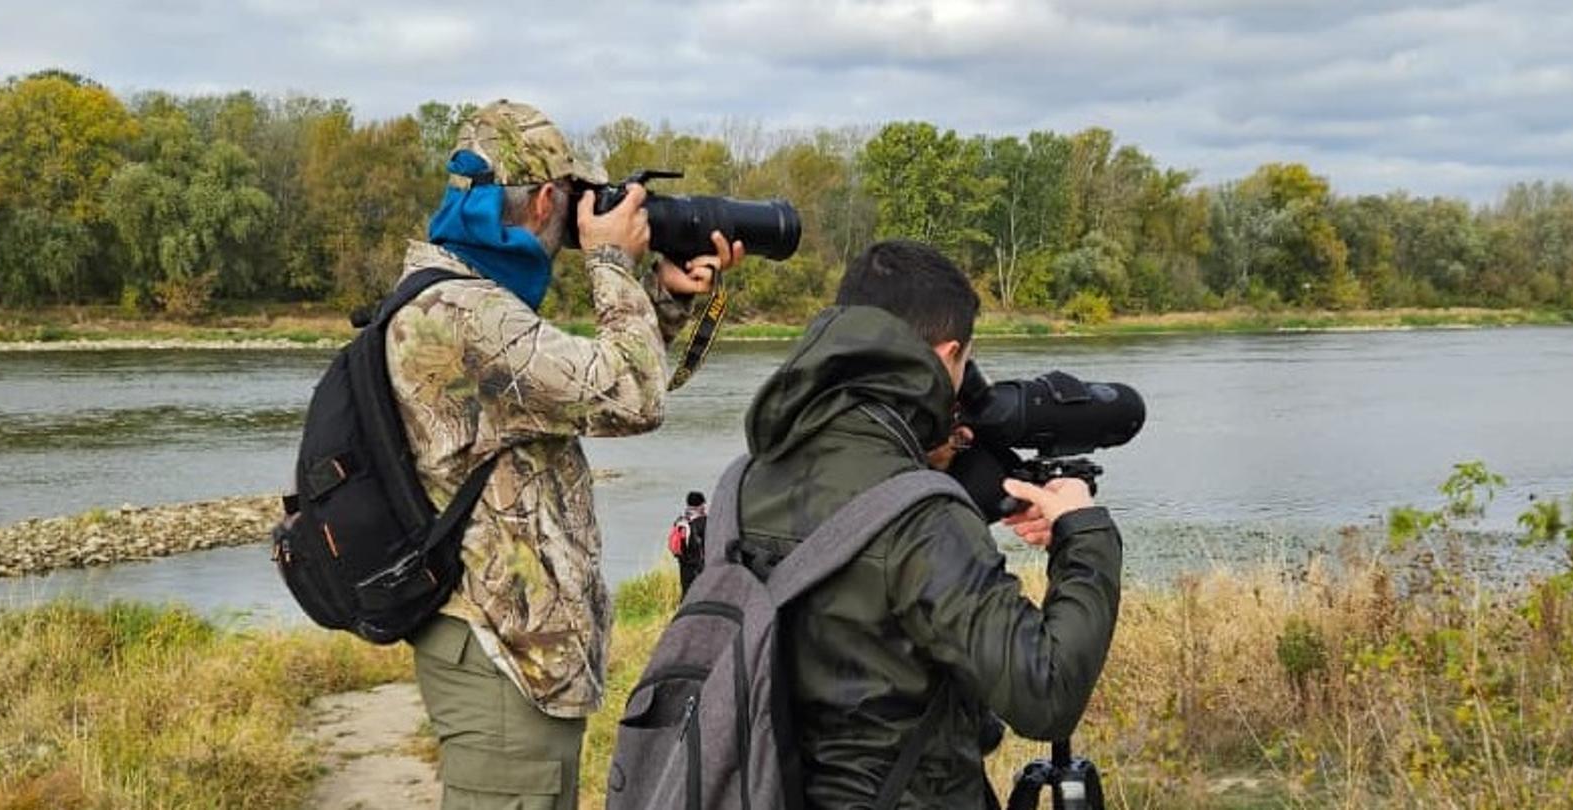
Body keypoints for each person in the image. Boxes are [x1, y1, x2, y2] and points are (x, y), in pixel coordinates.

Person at [386, 100, 742, 810]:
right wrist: (611, 259)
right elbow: (633, 397)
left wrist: (663, 299)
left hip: (508, 651)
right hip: (498, 657)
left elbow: (595, 386)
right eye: (575, 204)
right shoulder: (460, 314)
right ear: (548, 198)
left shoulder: (468, 301)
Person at [734, 239, 1124, 807]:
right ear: (945, 357)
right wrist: (1083, 532)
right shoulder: (920, 518)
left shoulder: (747, 478)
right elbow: (1047, 695)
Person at [669, 490, 708, 593]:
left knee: (686, 594)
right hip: (699, 566)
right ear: (702, 505)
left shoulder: (680, 521)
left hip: (684, 565)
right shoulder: (704, 522)